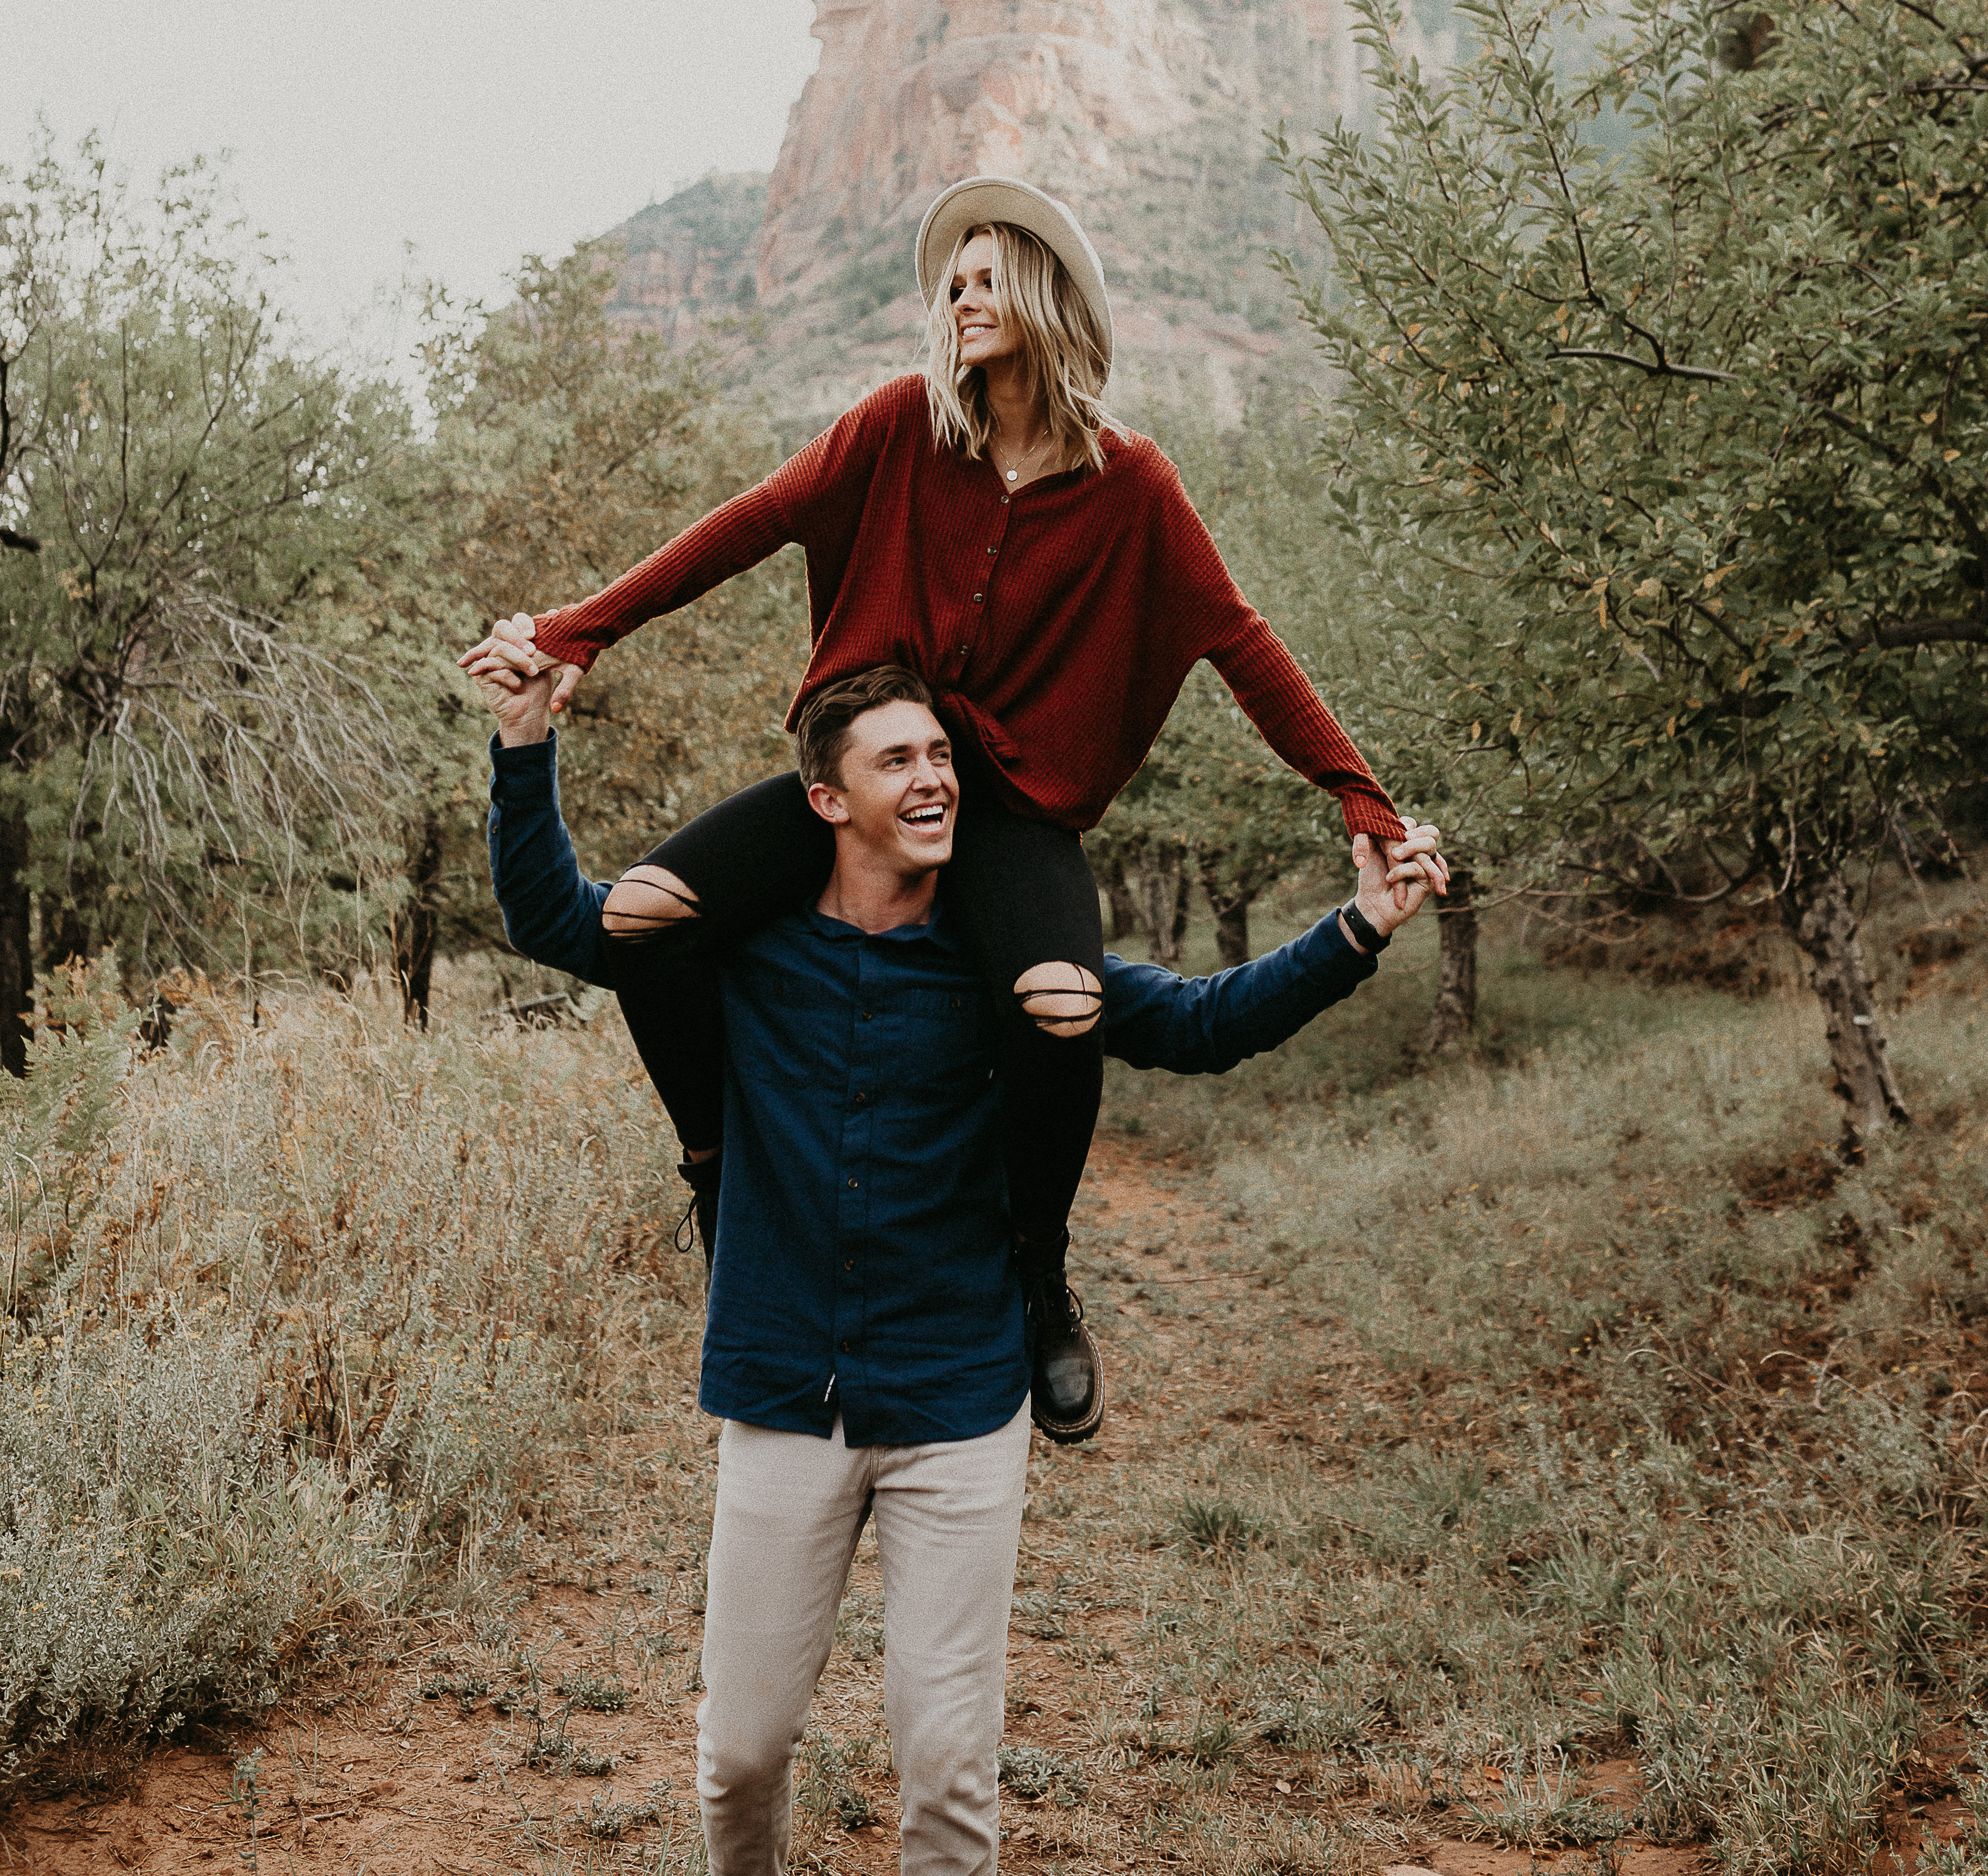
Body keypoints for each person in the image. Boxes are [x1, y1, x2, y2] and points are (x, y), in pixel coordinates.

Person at [460, 173, 1449, 1441]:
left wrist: (1359, 799)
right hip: (877, 771)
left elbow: (1238, 641)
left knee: (1062, 1002)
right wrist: (575, 634)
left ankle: (1036, 1268)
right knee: (648, 918)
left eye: (985, 277)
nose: (961, 299)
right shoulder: (893, 429)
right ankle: (712, 1175)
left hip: (1012, 808)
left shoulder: (1134, 485)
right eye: (953, 283)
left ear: (1044, 291)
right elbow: (746, 525)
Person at [475, 651, 1444, 1876]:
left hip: (959, 1396)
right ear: (826, 800)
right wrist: (522, 741)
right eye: (898, 760)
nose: (932, 778)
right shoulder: (747, 954)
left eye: (939, 757)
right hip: (782, 1387)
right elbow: (556, 918)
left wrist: (1359, 924)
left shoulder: (1009, 965)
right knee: (740, 1755)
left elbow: (1204, 1025)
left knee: (947, 1777)